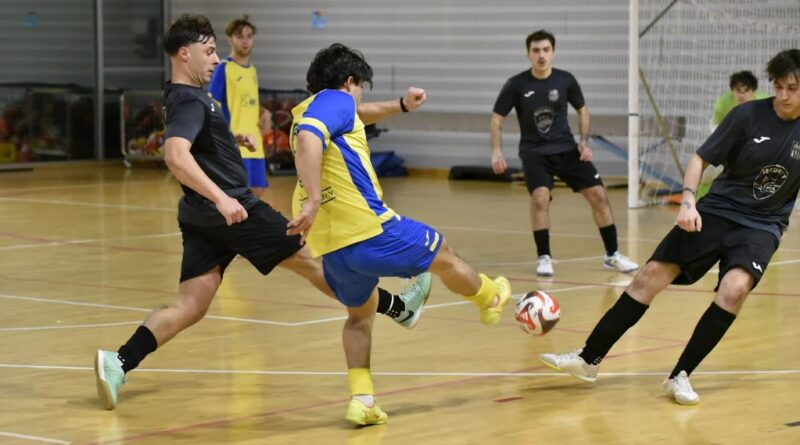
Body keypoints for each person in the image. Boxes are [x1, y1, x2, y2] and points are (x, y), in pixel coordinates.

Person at [93, 15, 432, 411]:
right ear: (184, 55)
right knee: (315, 262)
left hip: (200, 215)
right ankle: (398, 307)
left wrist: (225, 141)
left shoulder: (188, 97)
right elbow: (175, 155)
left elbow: (194, 147)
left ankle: (117, 361)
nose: (216, 58)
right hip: (233, 209)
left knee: (190, 306)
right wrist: (222, 199)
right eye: (208, 51)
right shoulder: (188, 99)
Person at [539, 48, 800, 405]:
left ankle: (680, 375)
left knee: (735, 289)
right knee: (649, 277)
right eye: (779, 86)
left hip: (762, 225)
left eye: (793, 88)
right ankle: (588, 358)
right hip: (717, 210)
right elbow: (700, 158)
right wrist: (689, 200)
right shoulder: (747, 116)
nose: (784, 95)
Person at [288, 43, 512, 426]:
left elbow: (354, 115)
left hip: (333, 246)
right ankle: (489, 298)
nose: (359, 97)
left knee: (359, 317)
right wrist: (311, 200)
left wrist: (401, 105)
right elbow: (314, 136)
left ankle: (363, 400)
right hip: (370, 228)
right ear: (349, 82)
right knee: (445, 254)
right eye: (360, 87)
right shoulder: (335, 101)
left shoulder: (311, 109)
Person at [489, 29, 638, 277]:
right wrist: (496, 152)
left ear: (553, 53)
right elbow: (496, 120)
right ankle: (544, 257)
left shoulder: (566, 80)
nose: (541, 55)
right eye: (536, 50)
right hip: (534, 153)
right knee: (540, 198)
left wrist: (584, 142)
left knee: (599, 195)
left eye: (546, 50)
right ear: (528, 54)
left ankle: (612, 255)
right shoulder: (516, 85)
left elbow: (583, 112)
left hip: (567, 150)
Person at [209, 14, 268, 197]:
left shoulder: (252, 70)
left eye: (249, 36)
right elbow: (212, 106)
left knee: (258, 191)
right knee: (238, 195)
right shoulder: (223, 68)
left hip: (254, 143)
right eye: (240, 36)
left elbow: (247, 104)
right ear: (230, 39)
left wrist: (264, 113)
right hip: (234, 143)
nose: (245, 41)